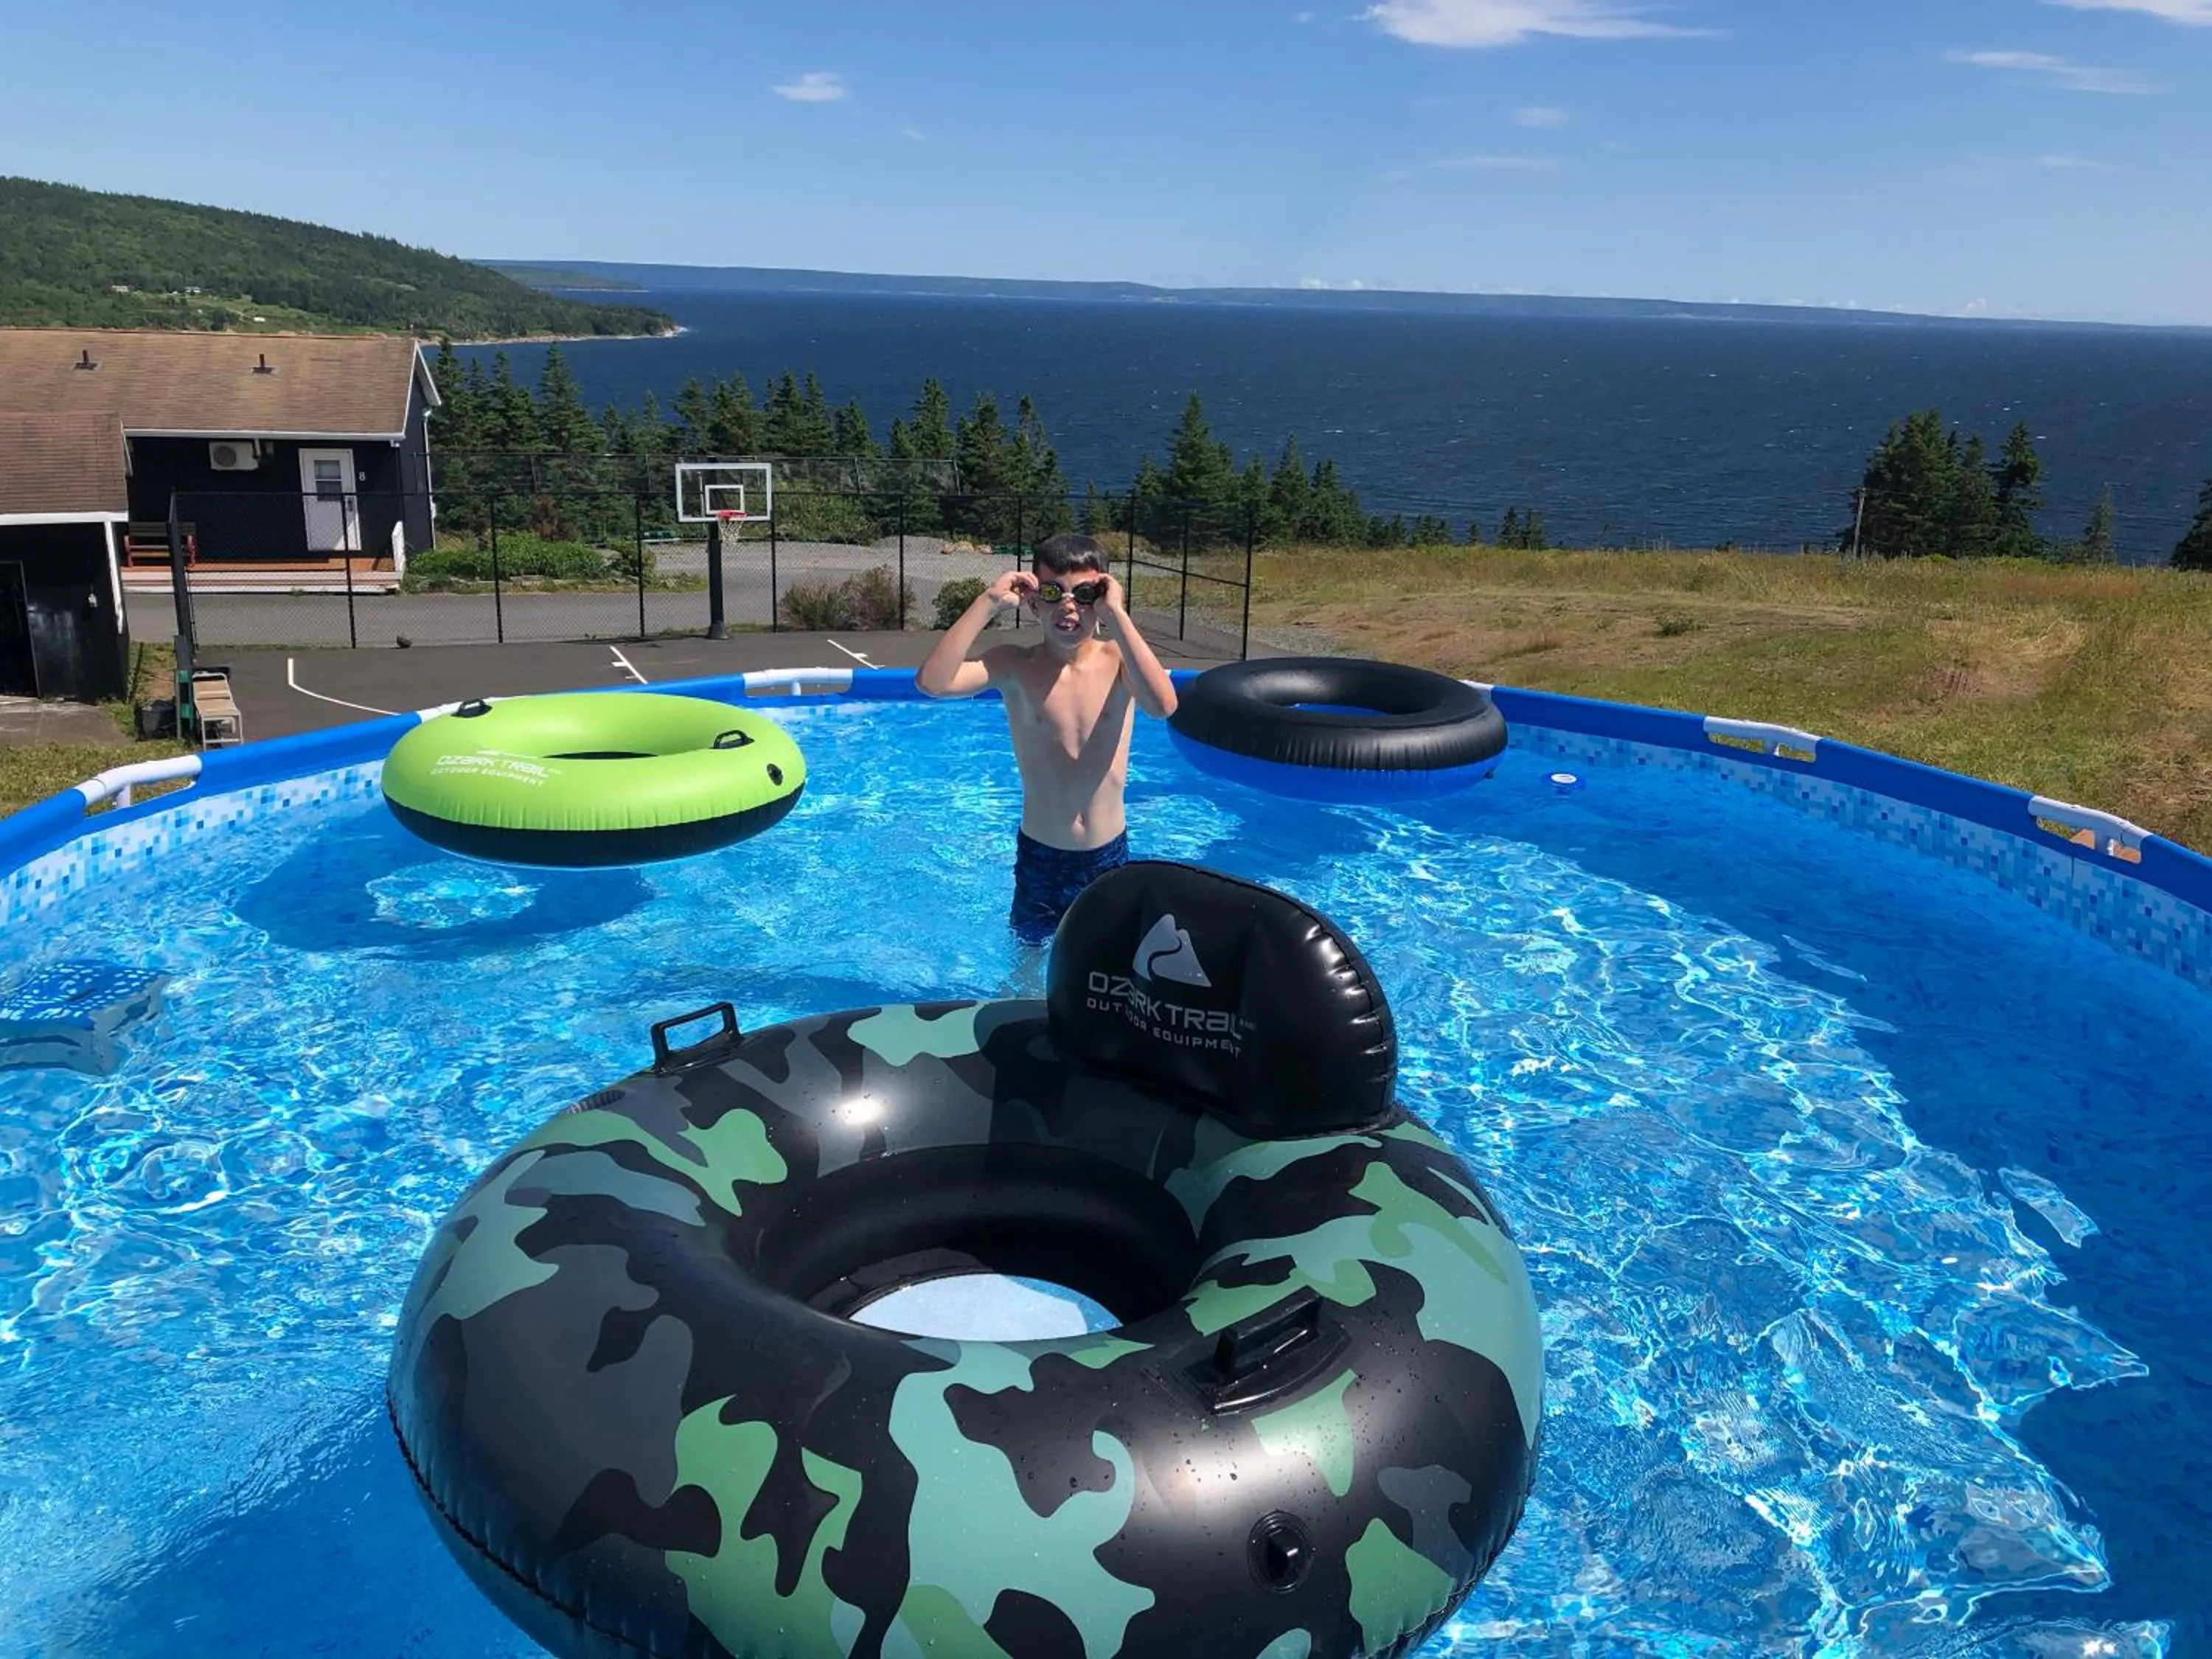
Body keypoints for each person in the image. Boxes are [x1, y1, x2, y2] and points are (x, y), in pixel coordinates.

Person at [917, 532, 1179, 944]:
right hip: (1042, 855)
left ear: (1103, 598)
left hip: (1107, 856)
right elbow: (933, 682)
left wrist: (1119, 617)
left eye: (1086, 593)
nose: (1069, 605)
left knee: (1104, 964)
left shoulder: (1119, 662)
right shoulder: (1014, 666)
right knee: (1029, 959)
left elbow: (1164, 706)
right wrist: (988, 601)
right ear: (1034, 601)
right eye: (1054, 592)